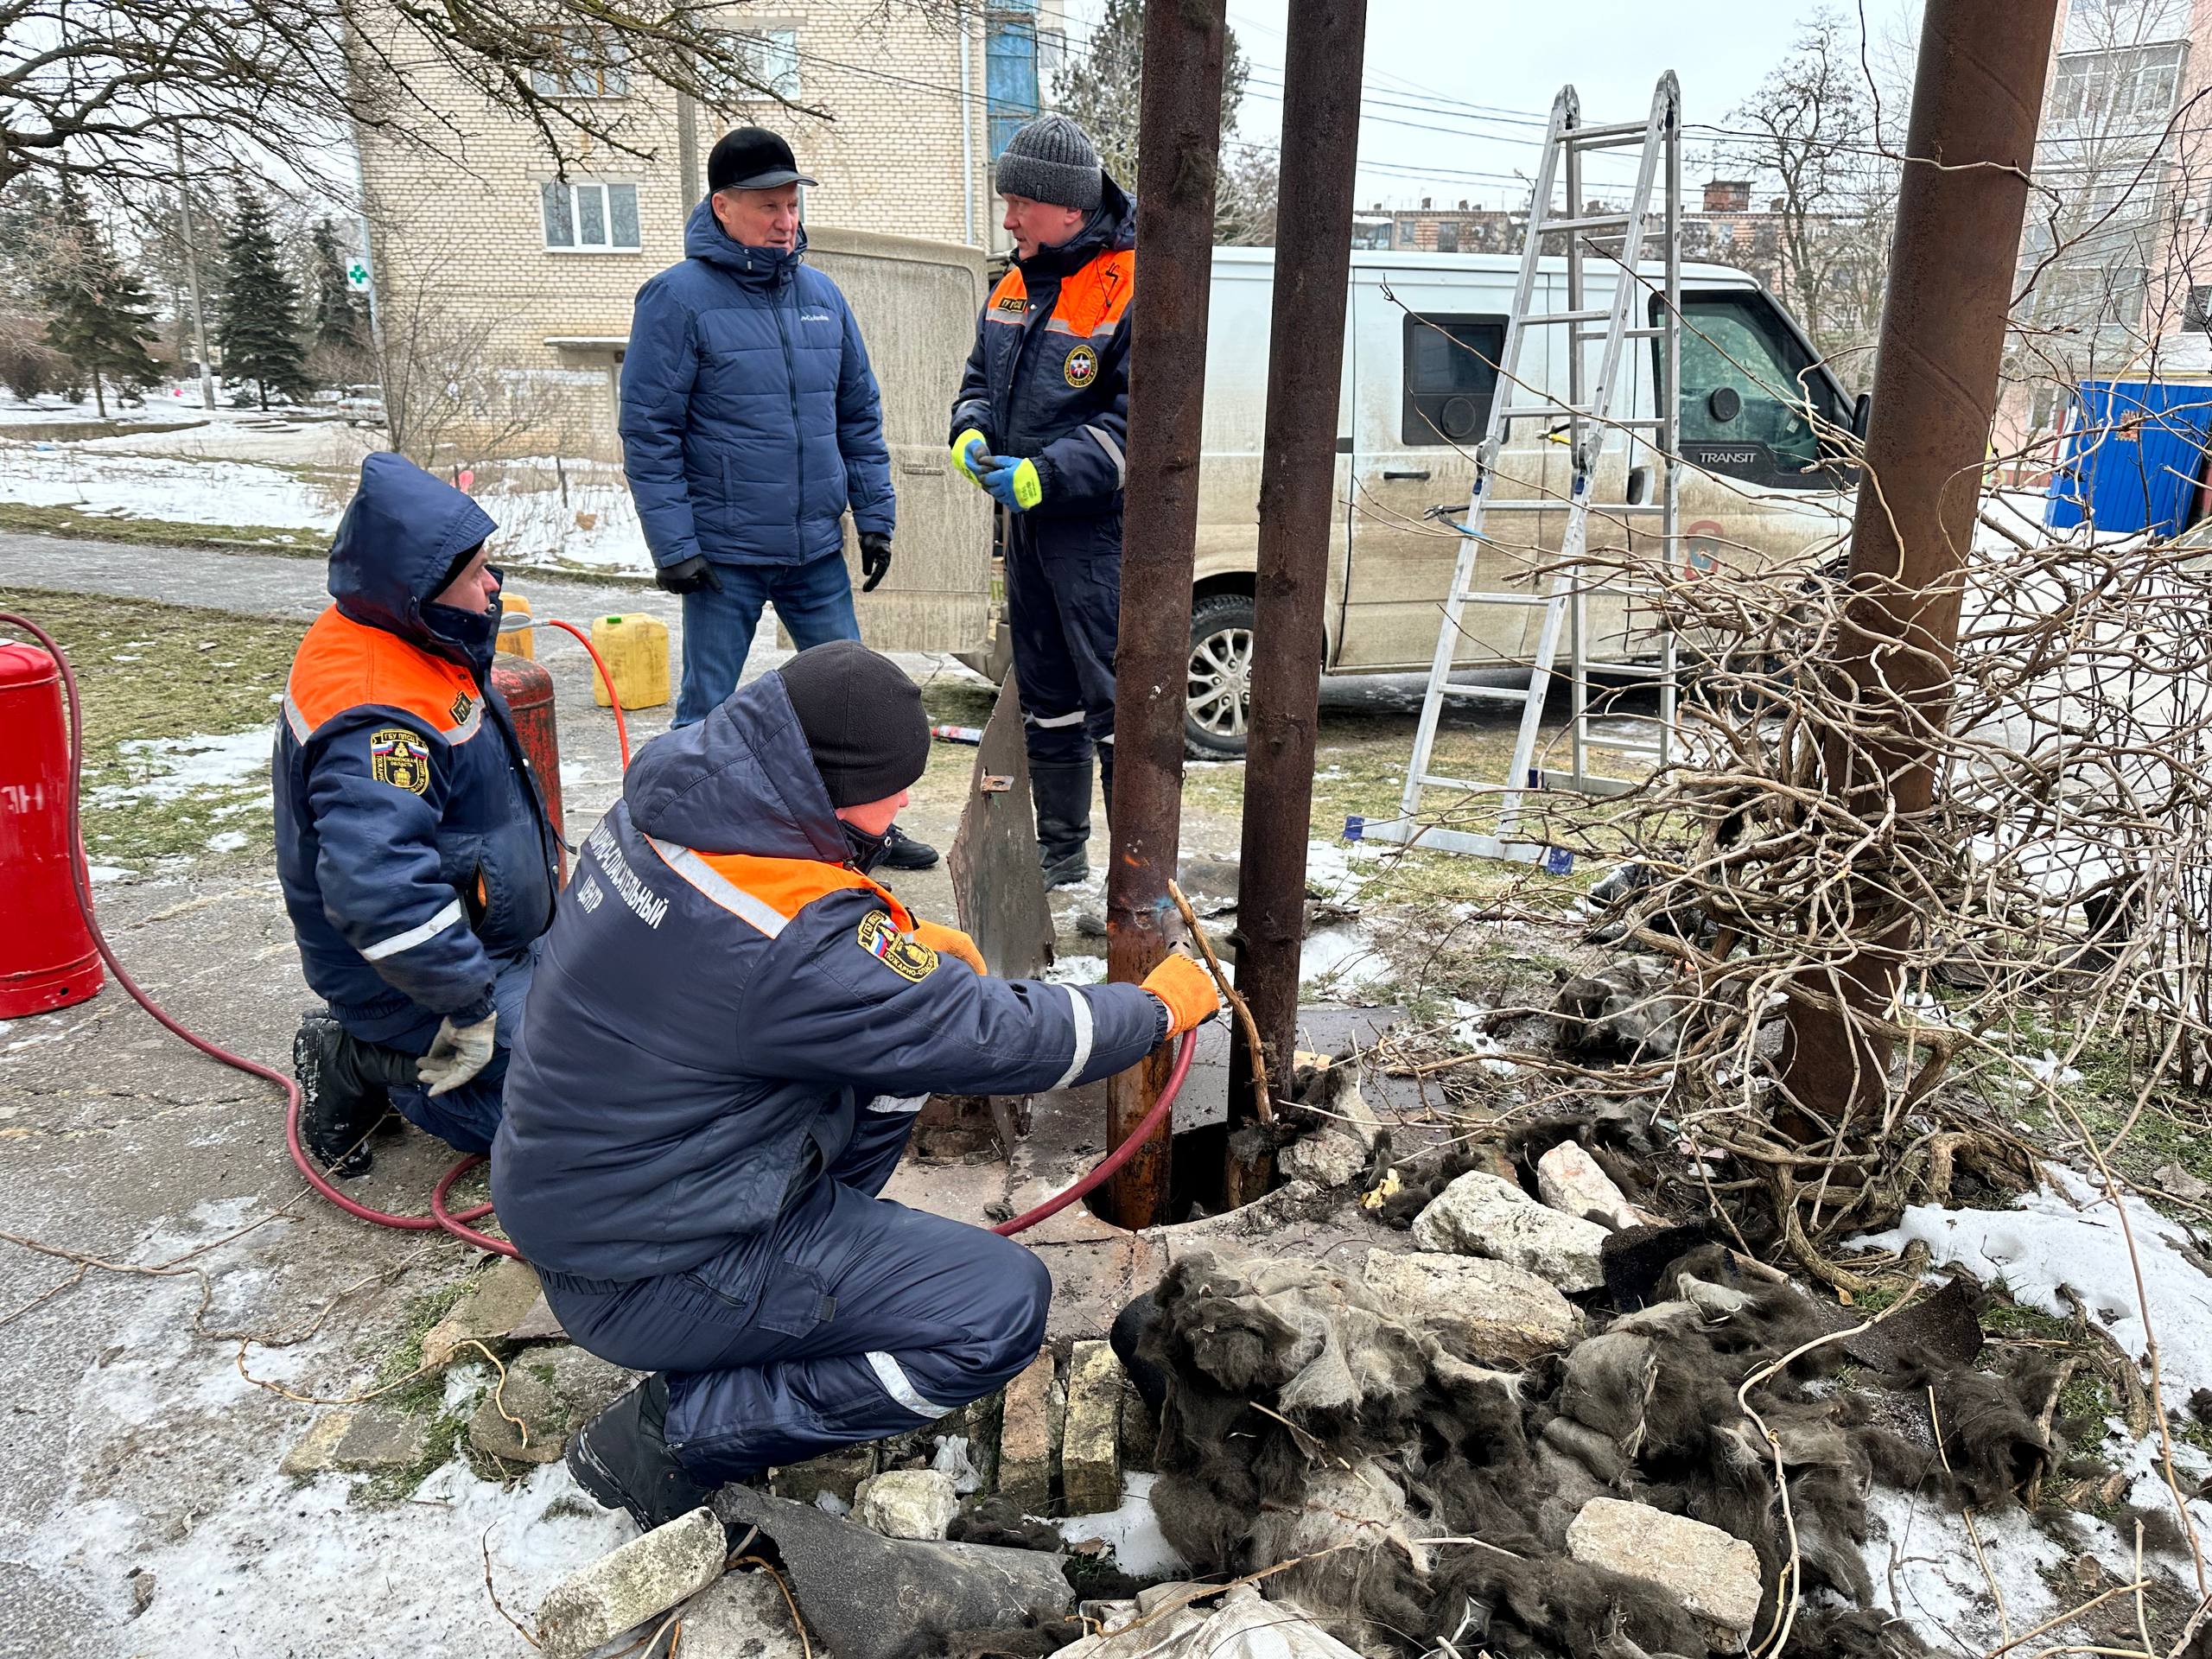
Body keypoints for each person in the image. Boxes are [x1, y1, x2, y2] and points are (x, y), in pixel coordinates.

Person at [491, 640, 1220, 1530]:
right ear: (824, 782)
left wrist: (901, 965)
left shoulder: (679, 797)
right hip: (647, 1269)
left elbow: (772, 968)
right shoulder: (783, 933)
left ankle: (802, 1280)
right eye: (893, 784)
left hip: (604, 1195)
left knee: (887, 1073)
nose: (907, 801)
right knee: (996, 1311)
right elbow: (1001, 1039)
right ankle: (676, 1435)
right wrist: (1151, 1013)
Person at [620, 124, 935, 871]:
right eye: (769, 205)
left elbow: (857, 414)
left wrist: (877, 516)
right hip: (724, 559)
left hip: (814, 551)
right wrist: (676, 547)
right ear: (722, 206)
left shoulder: (822, 296)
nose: (786, 220)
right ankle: (672, 843)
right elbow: (650, 432)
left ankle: (866, 832)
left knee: (857, 707)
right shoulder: (676, 299)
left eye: (792, 204)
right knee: (704, 715)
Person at [275, 453, 559, 1175]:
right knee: (571, 1129)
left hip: (487, 941)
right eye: (475, 573)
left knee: (624, 1044)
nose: (493, 586)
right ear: (421, 586)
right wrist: (467, 1006)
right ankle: (362, 1060)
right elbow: (381, 890)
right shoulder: (379, 715)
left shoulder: (411, 632)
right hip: (416, 980)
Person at [949, 113, 1134, 888]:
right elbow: (979, 382)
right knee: (1046, 697)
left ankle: (1136, 874)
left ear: (1070, 207)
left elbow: (1139, 425)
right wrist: (969, 433)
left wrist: (1046, 475)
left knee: (1117, 705)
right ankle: (1064, 861)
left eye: (1020, 201)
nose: (1008, 217)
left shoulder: (1131, 285)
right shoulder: (1015, 284)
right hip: (1028, 531)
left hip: (1098, 538)